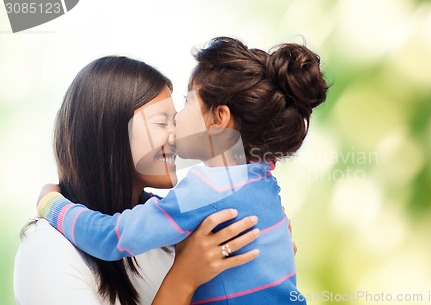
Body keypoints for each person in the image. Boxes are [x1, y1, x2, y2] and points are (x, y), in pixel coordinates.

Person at [38, 37, 329, 304]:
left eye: (188, 101)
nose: (177, 120)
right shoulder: (262, 180)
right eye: (161, 120)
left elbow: (112, 237)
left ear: (219, 118)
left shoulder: (205, 189)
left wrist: (52, 205)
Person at [13, 55, 261, 305]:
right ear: (111, 132)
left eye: (175, 122)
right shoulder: (46, 250)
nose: (177, 136)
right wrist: (184, 279)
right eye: (162, 122)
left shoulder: (174, 234)